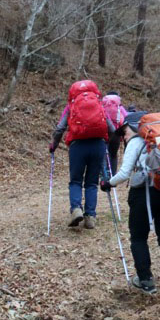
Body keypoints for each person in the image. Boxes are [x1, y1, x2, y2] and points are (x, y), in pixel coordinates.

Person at [106, 112, 160, 300]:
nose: (123, 136)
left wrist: (108, 183)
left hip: (143, 194)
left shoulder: (136, 143)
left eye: (124, 131)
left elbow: (124, 173)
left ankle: (145, 280)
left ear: (132, 127)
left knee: (138, 237)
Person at [49, 80, 111, 230]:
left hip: (78, 146)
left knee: (76, 180)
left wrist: (53, 146)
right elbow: (110, 126)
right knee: (91, 182)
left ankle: (76, 209)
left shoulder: (71, 105)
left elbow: (60, 128)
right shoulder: (99, 103)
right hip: (98, 145)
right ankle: (90, 216)